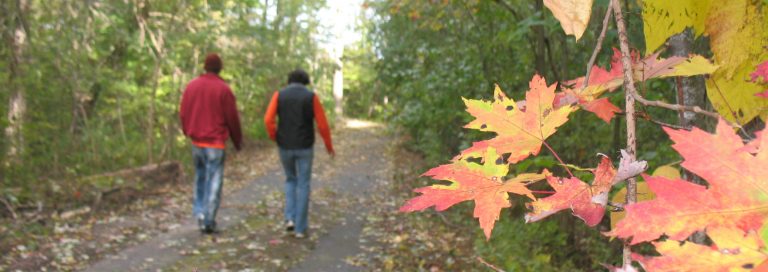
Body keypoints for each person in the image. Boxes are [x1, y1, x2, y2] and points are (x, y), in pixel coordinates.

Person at [264, 69, 335, 239]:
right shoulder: (311, 97)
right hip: (305, 146)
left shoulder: (279, 95)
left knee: (290, 180)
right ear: (306, 82)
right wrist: (328, 146)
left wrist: (275, 136)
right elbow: (322, 124)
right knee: (303, 184)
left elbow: (268, 119)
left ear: (289, 80)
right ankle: (300, 228)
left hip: (285, 146)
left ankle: (290, 218)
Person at [179, 53, 242, 234]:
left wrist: (187, 130)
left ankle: (200, 212)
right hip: (215, 143)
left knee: (200, 177)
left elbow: (183, 112)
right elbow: (232, 118)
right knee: (214, 181)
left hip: (197, 142)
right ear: (219, 68)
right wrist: (237, 141)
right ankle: (208, 219)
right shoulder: (223, 89)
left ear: (205, 67)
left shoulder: (191, 86)